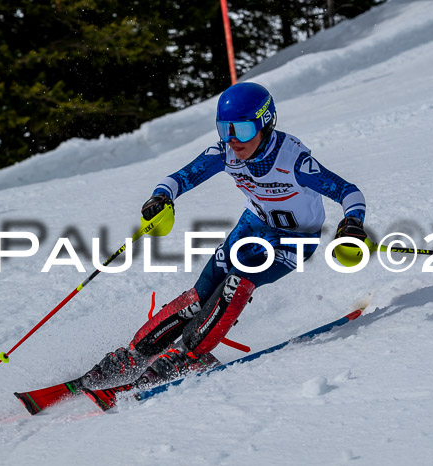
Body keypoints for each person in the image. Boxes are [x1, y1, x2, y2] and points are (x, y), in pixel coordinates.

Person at [82, 82, 368, 388]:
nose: (233, 140)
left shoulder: (294, 161)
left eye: (242, 130)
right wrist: (161, 197)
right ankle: (135, 354)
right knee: (196, 299)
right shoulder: (225, 153)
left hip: (294, 240)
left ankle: (190, 355)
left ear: (265, 124)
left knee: (238, 283)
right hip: (252, 227)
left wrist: (352, 222)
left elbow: (349, 192)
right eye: (224, 129)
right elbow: (180, 177)